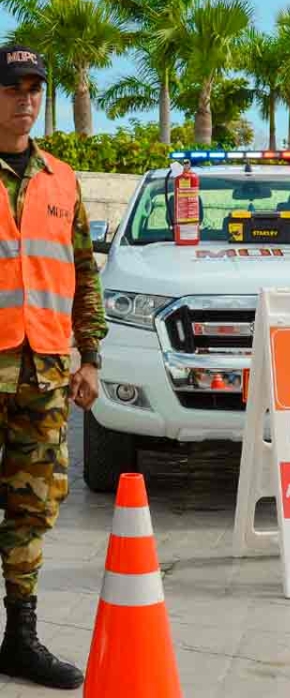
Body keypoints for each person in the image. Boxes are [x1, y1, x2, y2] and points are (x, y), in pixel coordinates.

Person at [0, 46, 107, 689]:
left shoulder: (61, 179)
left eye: (35, 89)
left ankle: (20, 638)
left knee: (32, 508)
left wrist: (89, 355)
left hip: (43, 373)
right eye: (13, 87)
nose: (26, 99)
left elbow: (84, 273)